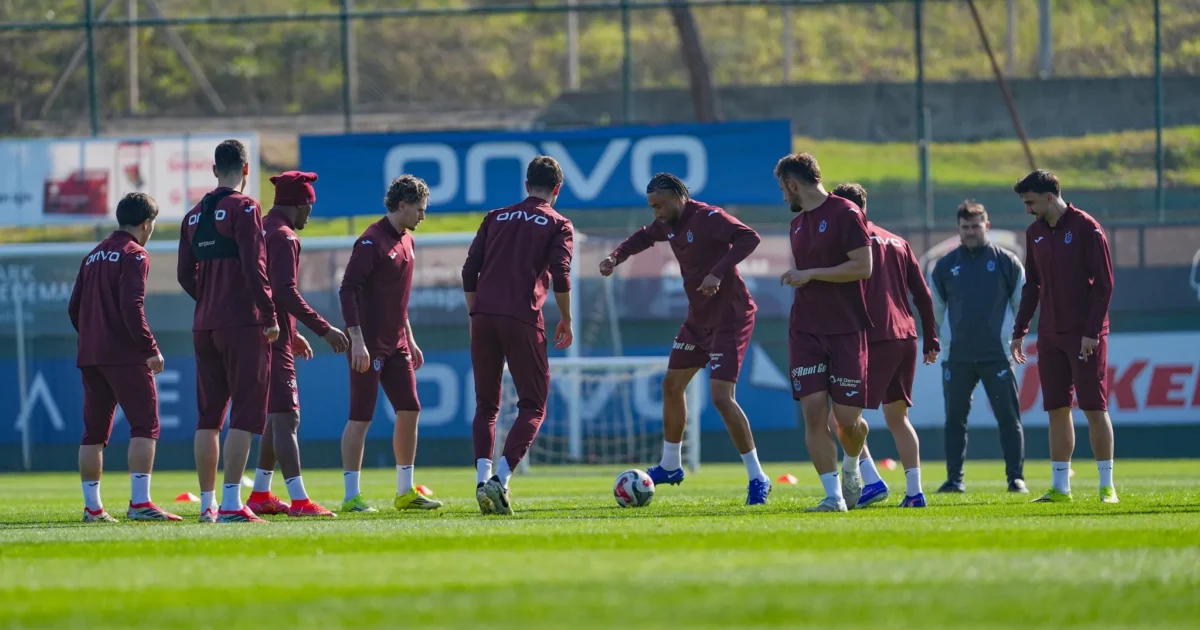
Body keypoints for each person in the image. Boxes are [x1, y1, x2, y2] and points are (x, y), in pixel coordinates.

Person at [600, 173, 772, 505]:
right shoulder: (667, 224)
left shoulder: (709, 217)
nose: (657, 212)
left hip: (730, 318)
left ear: (679, 198)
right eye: (652, 206)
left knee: (721, 397)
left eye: (661, 205)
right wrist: (616, 257)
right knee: (671, 385)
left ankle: (757, 477)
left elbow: (749, 238)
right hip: (698, 320)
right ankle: (670, 465)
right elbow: (643, 236)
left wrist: (717, 272)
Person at [463, 156, 574, 516]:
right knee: (533, 405)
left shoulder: (495, 216)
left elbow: (469, 270)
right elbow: (561, 274)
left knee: (486, 405)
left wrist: (476, 313)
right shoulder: (558, 223)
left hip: (484, 316)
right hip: (522, 317)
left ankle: (482, 480)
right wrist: (566, 318)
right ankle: (501, 479)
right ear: (557, 189)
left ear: (526, 185)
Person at [177, 139, 278, 524]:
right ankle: (234, 503)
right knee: (245, 415)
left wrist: (208, 298)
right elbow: (255, 266)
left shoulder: (191, 216)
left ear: (215, 170)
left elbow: (184, 274)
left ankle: (208, 505)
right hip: (242, 322)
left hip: (204, 324)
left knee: (209, 418)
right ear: (247, 170)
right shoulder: (246, 207)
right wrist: (268, 314)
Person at [68, 193, 181, 523]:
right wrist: (150, 348)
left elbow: (74, 308)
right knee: (145, 425)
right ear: (146, 223)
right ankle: (140, 503)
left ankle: (93, 508)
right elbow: (132, 307)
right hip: (124, 354)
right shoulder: (135, 254)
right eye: (153, 224)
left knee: (93, 432)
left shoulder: (92, 256)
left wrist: (93, 336)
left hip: (90, 354)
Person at [828, 183, 939, 508]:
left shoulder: (847, 243)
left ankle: (871, 480)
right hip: (905, 336)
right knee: (898, 418)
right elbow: (923, 293)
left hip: (872, 337)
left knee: (840, 417)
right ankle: (915, 493)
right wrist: (931, 336)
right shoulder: (898, 241)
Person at [1010, 169, 1117, 504]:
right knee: (1056, 408)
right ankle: (1060, 487)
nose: (1027, 209)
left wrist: (1091, 332)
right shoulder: (1034, 232)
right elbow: (1032, 286)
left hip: (1085, 335)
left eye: (1031, 202)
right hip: (1050, 335)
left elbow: (1104, 285)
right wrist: (1020, 330)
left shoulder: (1087, 227)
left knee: (1094, 407)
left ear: (1050, 196)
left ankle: (1107, 487)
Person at [246, 171, 349, 518]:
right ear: (301, 204)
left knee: (276, 418)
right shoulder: (285, 236)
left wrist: (292, 330)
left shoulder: (260, 228)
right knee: (288, 418)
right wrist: (323, 329)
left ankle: (260, 493)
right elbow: (284, 291)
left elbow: (266, 289)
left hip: (259, 330)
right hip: (271, 337)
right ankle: (300, 500)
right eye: (310, 207)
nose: (310, 215)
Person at [776, 153, 873, 513]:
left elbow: (863, 267)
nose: (783, 197)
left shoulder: (846, 212)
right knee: (813, 412)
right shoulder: (797, 225)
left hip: (846, 330)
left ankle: (852, 467)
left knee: (848, 422)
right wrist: (801, 277)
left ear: (792, 184)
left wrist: (811, 273)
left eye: (783, 189)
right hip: (805, 330)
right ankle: (833, 496)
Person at [339, 175, 440, 513]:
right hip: (368, 344)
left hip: (397, 343)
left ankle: (405, 491)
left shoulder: (408, 241)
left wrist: (409, 338)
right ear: (402, 205)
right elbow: (348, 290)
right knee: (361, 417)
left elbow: (397, 298)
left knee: (410, 408)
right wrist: (356, 340)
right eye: (419, 209)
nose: (423, 216)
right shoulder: (371, 241)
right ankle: (351, 496)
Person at [930, 201, 1027, 494]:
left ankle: (1016, 479)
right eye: (965, 227)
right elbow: (936, 309)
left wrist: (1010, 337)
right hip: (957, 357)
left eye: (976, 226)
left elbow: (1021, 304)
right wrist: (947, 339)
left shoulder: (1007, 262)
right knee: (954, 421)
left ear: (987, 226)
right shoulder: (944, 266)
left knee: (1008, 419)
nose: (971, 232)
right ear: (958, 229)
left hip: (997, 355)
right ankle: (954, 480)